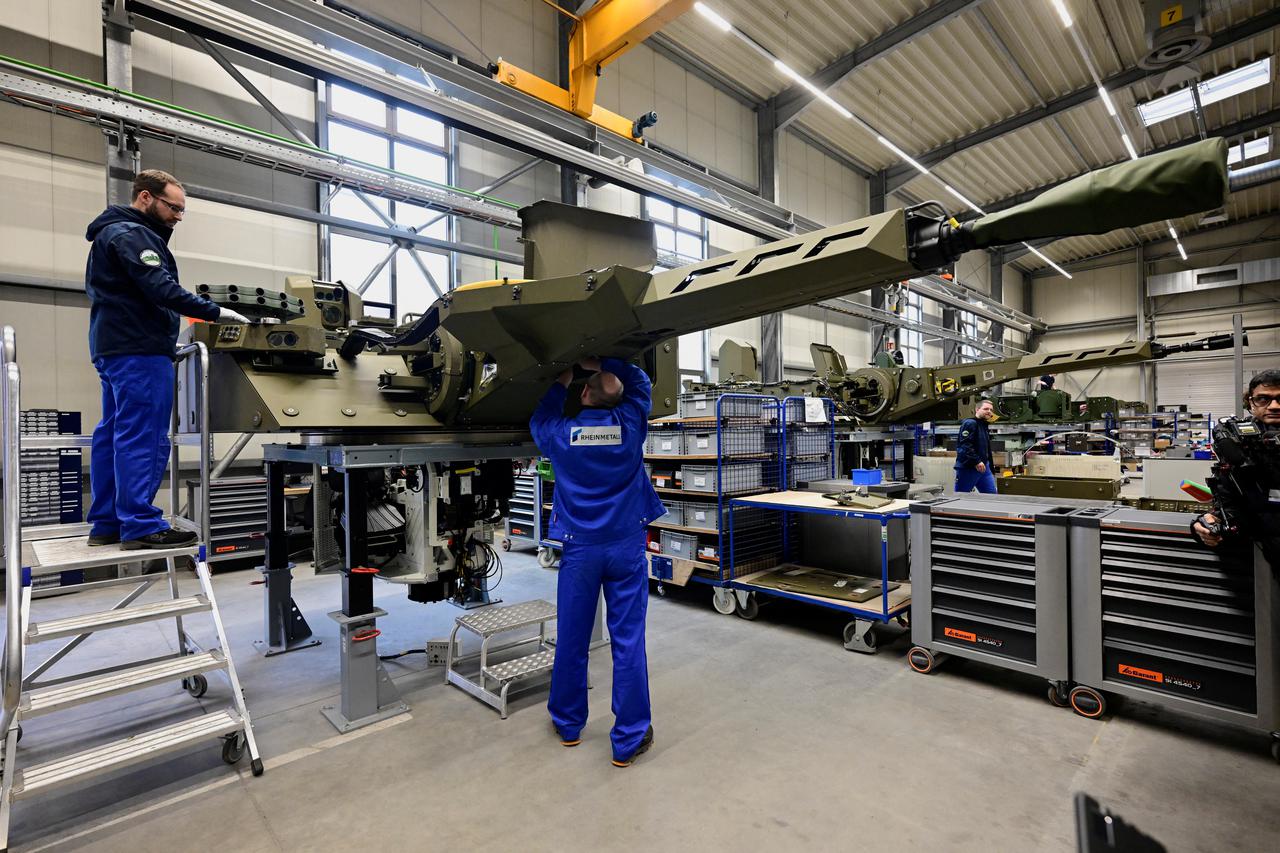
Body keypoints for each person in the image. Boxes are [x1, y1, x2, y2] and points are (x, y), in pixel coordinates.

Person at [84, 170, 248, 550]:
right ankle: (140, 525)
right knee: (144, 436)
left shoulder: (111, 233)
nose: (177, 216)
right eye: (173, 207)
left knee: (114, 432)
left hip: (113, 348)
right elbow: (160, 288)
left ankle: (107, 522)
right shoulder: (132, 234)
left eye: (181, 210)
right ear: (145, 198)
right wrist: (216, 312)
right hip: (139, 349)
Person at [529, 355, 666, 767]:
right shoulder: (630, 425)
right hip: (625, 546)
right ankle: (628, 740)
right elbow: (640, 383)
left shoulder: (561, 434)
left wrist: (564, 377)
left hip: (580, 550)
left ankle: (569, 726)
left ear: (584, 393)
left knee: (572, 638)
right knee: (627, 642)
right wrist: (608, 363)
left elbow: (539, 418)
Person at [1192, 370, 1280, 563]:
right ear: (1250, 402)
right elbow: (1232, 501)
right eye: (1263, 399)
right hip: (1255, 556)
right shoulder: (1238, 442)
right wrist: (1210, 523)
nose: (1274, 406)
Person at [954, 399, 998, 494]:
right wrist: (976, 461)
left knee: (992, 497)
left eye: (991, 410)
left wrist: (990, 467)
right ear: (977, 409)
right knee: (961, 496)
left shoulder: (984, 425)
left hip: (984, 468)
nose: (989, 411)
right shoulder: (970, 423)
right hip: (969, 467)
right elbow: (965, 445)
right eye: (986, 409)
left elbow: (986, 449)